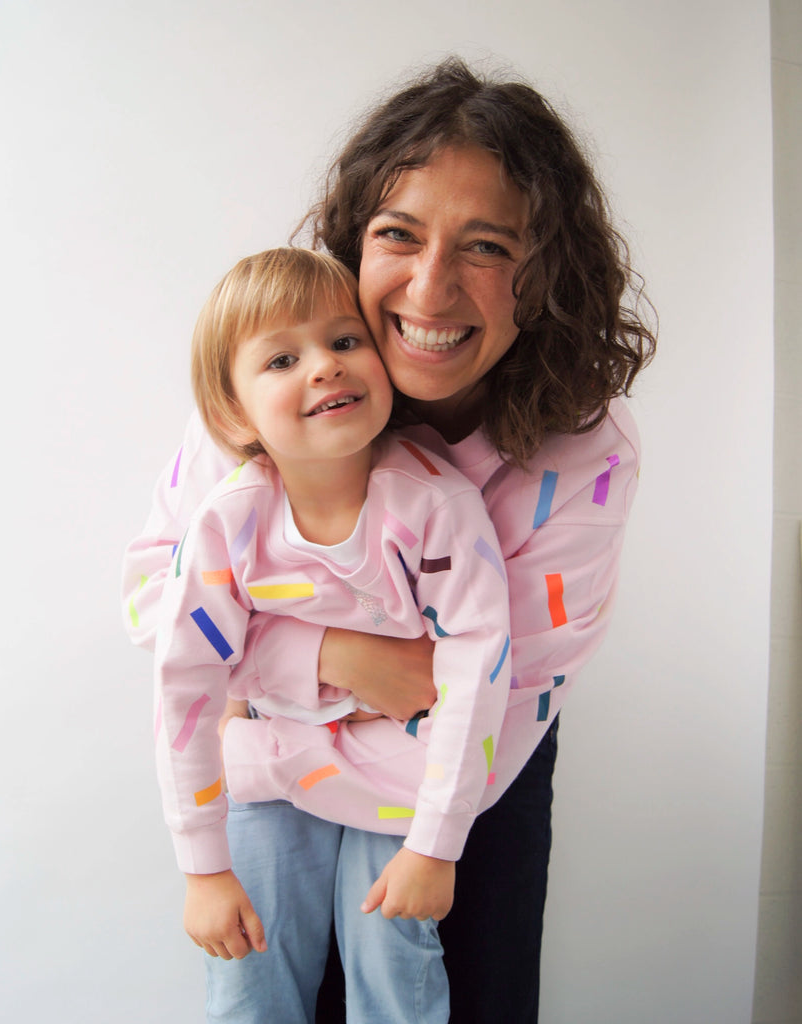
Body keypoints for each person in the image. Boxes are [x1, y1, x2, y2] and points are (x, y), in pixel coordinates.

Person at [123, 57, 656, 1024]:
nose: (430, 286)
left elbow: (491, 685)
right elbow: (154, 595)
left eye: (486, 247)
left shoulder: (584, 454)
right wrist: (331, 656)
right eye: (397, 234)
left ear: (542, 277)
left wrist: (259, 701)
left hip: (462, 779)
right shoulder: (270, 392)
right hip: (275, 767)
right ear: (351, 242)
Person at [154, 246, 513, 1022]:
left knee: (391, 957)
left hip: (402, 767)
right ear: (233, 414)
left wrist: (435, 845)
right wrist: (202, 869)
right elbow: (185, 688)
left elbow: (477, 670)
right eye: (282, 359)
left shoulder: (436, 505)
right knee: (248, 971)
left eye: (345, 341)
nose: (324, 366)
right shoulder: (225, 522)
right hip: (270, 757)